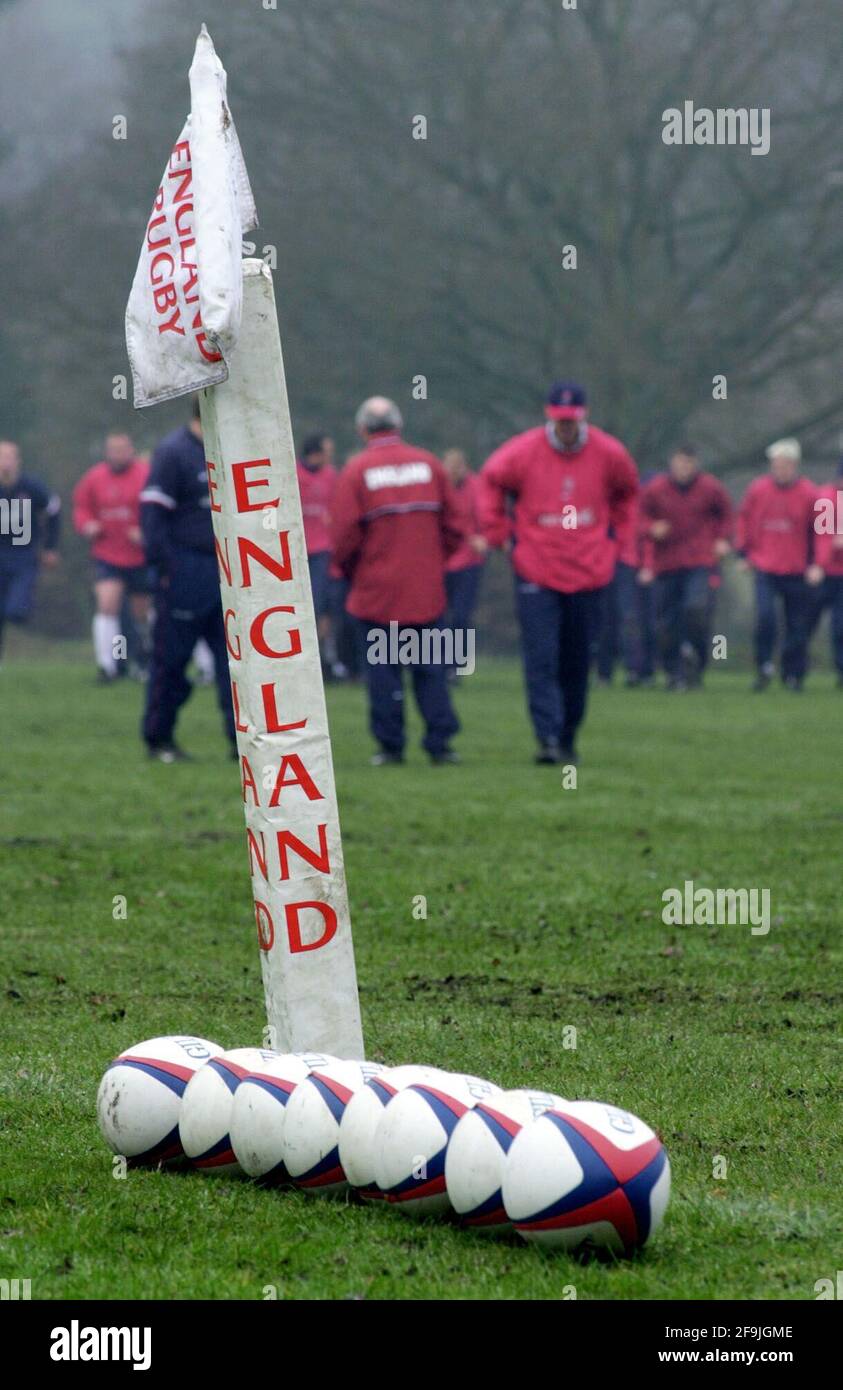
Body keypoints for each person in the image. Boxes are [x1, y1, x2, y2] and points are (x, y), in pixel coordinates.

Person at [479, 381, 638, 764]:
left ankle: (568, 735)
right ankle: (548, 737)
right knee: (541, 656)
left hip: (588, 571)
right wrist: (500, 534)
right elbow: (489, 482)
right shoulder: (522, 452)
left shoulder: (609, 453)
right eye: (559, 421)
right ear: (549, 417)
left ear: (583, 418)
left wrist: (618, 540)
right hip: (536, 568)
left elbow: (629, 494)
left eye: (572, 421)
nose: (566, 428)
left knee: (577, 658)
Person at [330, 396, 464, 765]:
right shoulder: (429, 464)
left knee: (384, 674)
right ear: (399, 426)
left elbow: (343, 537)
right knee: (432, 671)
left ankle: (391, 747)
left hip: (377, 593)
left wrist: (355, 571)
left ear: (362, 431)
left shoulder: (357, 471)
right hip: (426, 592)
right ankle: (440, 745)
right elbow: (455, 527)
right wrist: (432, 563)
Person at [139, 401, 235, 761]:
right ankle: (159, 740)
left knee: (235, 664)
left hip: (228, 573)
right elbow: (152, 516)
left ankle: (241, 745)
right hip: (185, 570)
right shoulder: (172, 452)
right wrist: (166, 568)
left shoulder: (227, 448)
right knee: (173, 661)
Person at [638, 446, 733, 690]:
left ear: (696, 464)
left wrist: (723, 539)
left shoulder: (710, 488)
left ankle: (695, 659)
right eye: (680, 463)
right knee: (665, 622)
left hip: (699, 560)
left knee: (696, 609)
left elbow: (727, 515)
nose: (684, 469)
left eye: (689, 464)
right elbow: (637, 517)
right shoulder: (656, 489)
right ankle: (673, 671)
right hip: (666, 563)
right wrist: (651, 528)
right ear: (672, 463)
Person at [737, 438, 818, 692]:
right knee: (765, 617)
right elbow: (744, 521)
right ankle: (763, 667)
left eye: (784, 464)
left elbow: (821, 533)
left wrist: (817, 564)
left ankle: (793, 673)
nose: (779, 469)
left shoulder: (810, 493)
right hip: (766, 567)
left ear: (794, 465)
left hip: (798, 570)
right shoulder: (757, 490)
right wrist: (743, 554)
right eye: (775, 464)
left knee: (798, 625)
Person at [72, 432, 151, 682]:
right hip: (108, 554)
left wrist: (146, 531)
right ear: (107, 452)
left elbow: (158, 508)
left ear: (131, 450)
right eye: (113, 450)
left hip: (140, 555)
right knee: (107, 606)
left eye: (123, 449)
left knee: (143, 614)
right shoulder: (94, 478)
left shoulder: (146, 474)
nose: (118, 454)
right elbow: (81, 508)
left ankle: (144, 661)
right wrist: (88, 525)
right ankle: (109, 666)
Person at [0, 439, 61, 661]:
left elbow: (54, 510)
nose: (5, 463)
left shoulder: (31, 487)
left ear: (18, 461)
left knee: (15, 609)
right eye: (1, 457)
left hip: (23, 555)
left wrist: (50, 547)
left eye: (9, 457)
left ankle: (22, 608)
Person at [296, 433, 343, 678]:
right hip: (298, 549)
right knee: (302, 606)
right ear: (316, 451)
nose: (330, 454)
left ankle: (322, 657)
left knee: (321, 605)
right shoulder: (293, 473)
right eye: (327, 449)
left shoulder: (331, 476)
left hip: (323, 551)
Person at [441, 448, 488, 678]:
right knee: (439, 614)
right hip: (442, 560)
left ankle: (458, 665)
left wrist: (484, 538)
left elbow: (485, 516)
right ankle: (439, 663)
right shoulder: (438, 486)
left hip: (469, 559)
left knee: (461, 614)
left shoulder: (476, 486)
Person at [809, 458, 843, 687]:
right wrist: (818, 564)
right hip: (823, 573)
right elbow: (820, 537)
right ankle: (794, 670)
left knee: (840, 625)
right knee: (804, 622)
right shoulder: (825, 498)